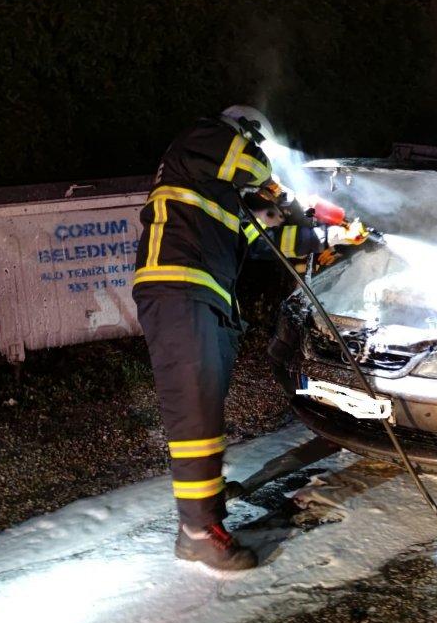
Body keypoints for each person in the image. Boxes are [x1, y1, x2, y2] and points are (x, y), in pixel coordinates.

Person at [133, 106, 339, 571]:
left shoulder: (216, 197)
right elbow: (248, 165)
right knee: (194, 415)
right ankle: (197, 532)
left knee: (203, 405)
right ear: (244, 133)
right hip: (178, 289)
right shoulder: (201, 138)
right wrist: (280, 187)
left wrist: (323, 237)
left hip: (199, 295)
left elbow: (262, 242)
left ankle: (203, 500)